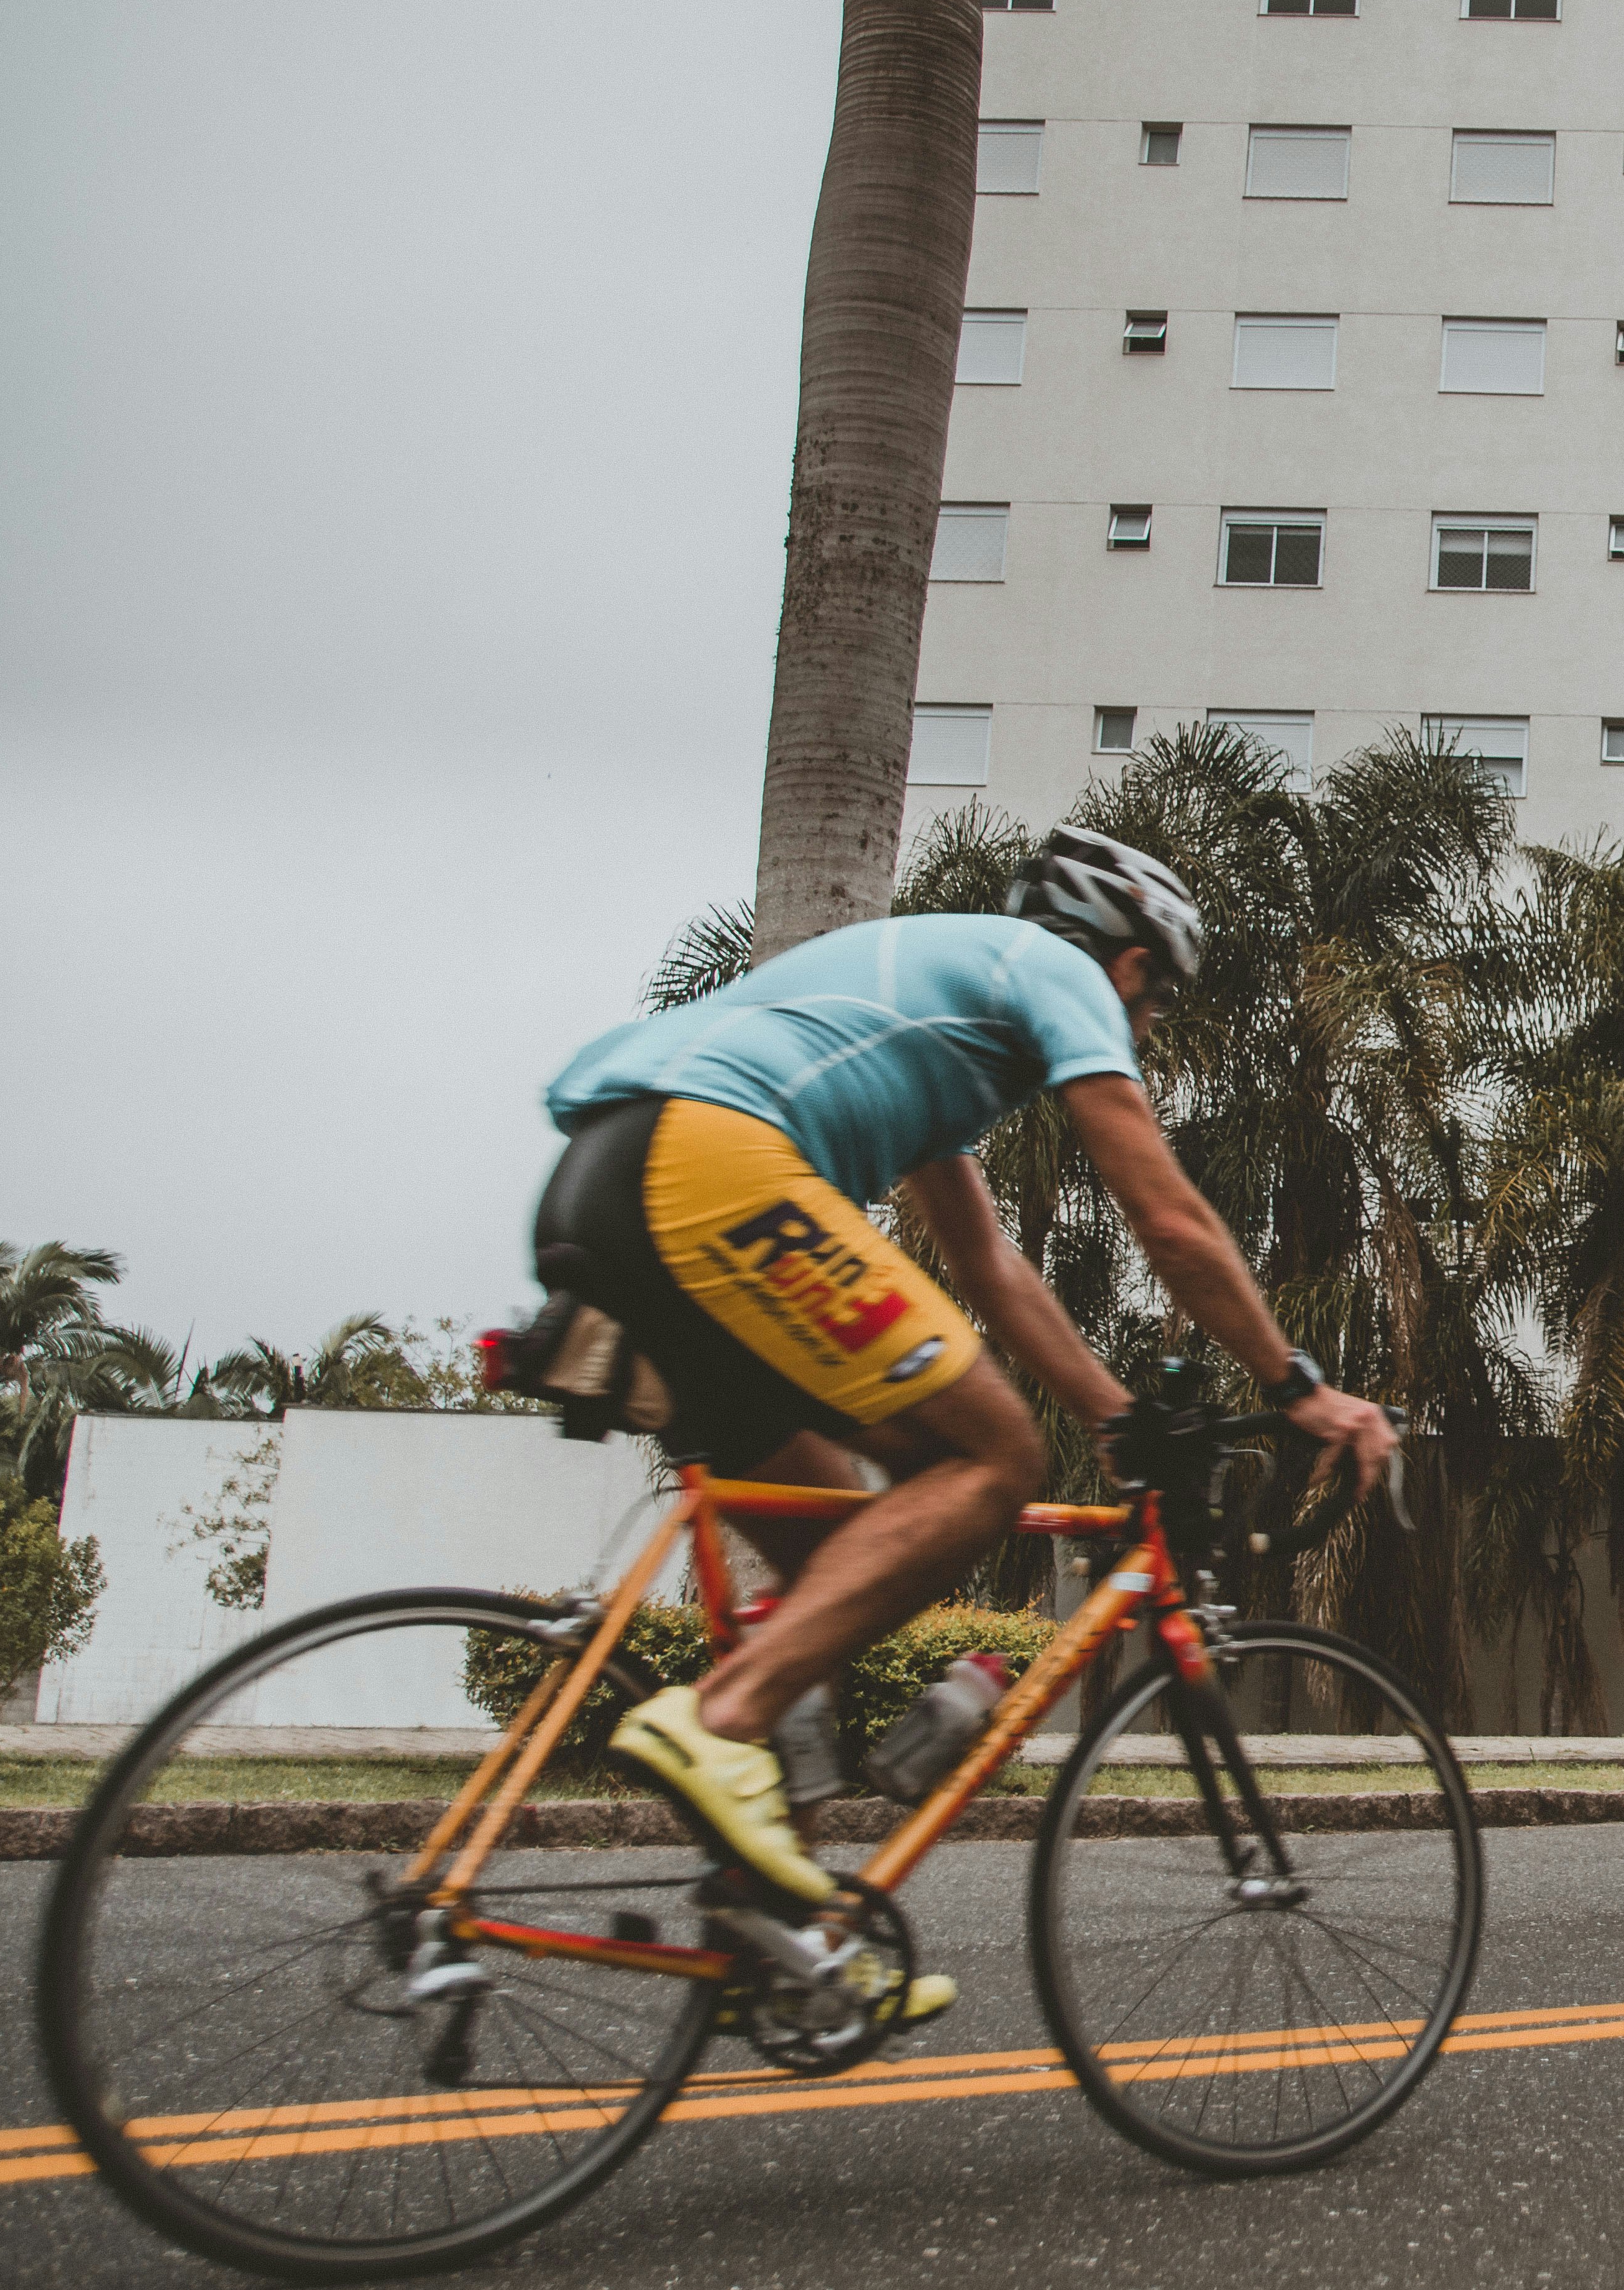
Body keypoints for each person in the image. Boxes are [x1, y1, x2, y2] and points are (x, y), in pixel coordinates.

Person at [531, 828, 1397, 1964]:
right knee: (993, 1462)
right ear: (1127, 964)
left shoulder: (947, 1047)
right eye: (1157, 1004)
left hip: (607, 1187)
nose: (1145, 1030)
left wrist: (1110, 1413)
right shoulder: (1052, 975)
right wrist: (1301, 1389)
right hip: (711, 1165)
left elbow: (993, 1270)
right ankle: (722, 1719)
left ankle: (779, 1928)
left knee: (835, 1558)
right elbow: (1173, 1221)